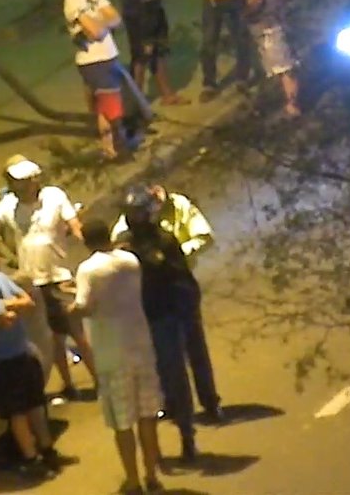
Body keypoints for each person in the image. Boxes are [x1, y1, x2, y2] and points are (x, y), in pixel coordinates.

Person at [0, 157, 97, 400]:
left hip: (58, 275)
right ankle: (68, 384)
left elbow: (74, 224)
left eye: (24, 181)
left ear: (35, 179)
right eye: (15, 181)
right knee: (53, 338)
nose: (20, 186)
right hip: (31, 280)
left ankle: (99, 381)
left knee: (77, 333)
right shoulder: (8, 204)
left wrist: (93, 243)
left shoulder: (54, 196)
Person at [117, 186, 224, 463]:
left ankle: (194, 424)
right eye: (132, 214)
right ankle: (173, 422)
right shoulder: (125, 244)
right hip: (146, 316)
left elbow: (180, 276)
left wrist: (153, 263)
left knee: (185, 364)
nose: (136, 219)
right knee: (162, 374)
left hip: (172, 311)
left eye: (139, 213)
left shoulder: (164, 241)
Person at [71, 218, 165, 494]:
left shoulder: (88, 269)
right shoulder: (130, 261)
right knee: (148, 416)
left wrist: (70, 311)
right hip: (141, 345)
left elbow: (84, 306)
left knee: (123, 423)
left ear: (85, 241)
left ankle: (133, 481)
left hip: (112, 353)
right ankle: (152, 476)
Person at [0, 242, 64, 479]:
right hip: (2, 360)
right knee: (17, 411)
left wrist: (10, 306)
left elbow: (27, 301)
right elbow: (2, 321)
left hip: (21, 351)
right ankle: (30, 458)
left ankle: (47, 450)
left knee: (36, 403)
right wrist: (14, 307)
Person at [62, 0, 132, 159]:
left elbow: (116, 18)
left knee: (104, 108)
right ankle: (119, 147)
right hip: (93, 61)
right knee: (112, 107)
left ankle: (109, 149)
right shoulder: (73, 0)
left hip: (107, 55)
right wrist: (102, 20)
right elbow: (96, 32)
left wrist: (98, 21)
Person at [244, 0, 302, 116]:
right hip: (288, 11)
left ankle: (290, 104)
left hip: (268, 20)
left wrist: (246, 13)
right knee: (290, 61)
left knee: (280, 66)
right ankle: (291, 100)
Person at [111, 184, 214, 257]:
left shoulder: (177, 205)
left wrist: (178, 252)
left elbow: (205, 237)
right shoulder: (121, 233)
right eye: (136, 213)